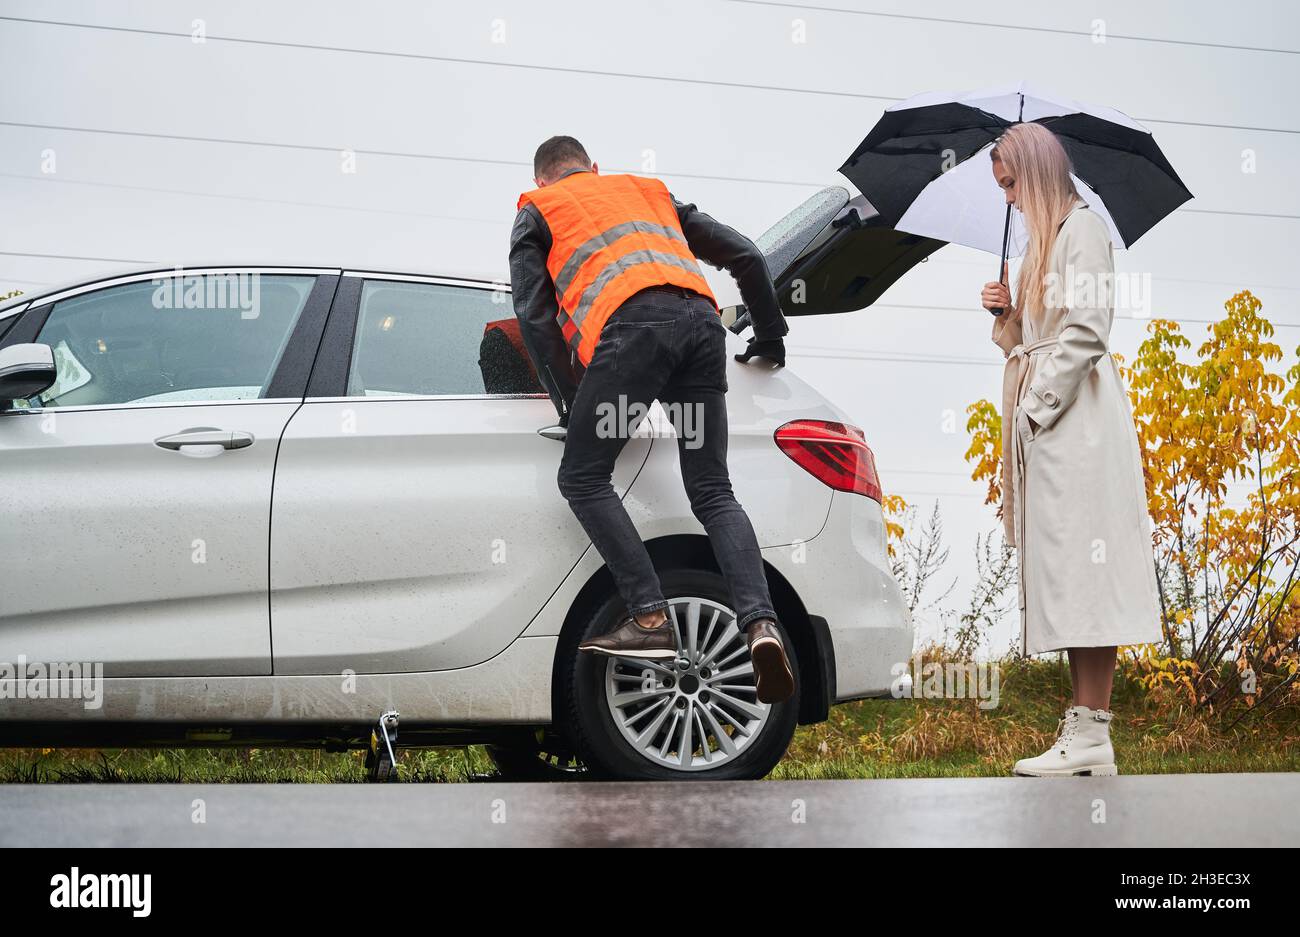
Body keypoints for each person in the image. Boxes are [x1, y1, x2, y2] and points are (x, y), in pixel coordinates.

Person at [509, 135, 796, 703]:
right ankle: (761, 626)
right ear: (594, 167)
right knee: (713, 490)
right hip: (700, 331)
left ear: (543, 179)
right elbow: (748, 256)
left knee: (583, 477)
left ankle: (648, 618)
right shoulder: (649, 191)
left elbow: (533, 315)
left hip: (634, 338)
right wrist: (769, 336)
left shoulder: (537, 209)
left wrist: (574, 402)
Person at [980, 122, 1163, 776]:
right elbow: (1026, 342)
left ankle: (1091, 730)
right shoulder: (1041, 244)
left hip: (1074, 419)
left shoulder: (1083, 231)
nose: (1006, 198)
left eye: (1009, 183)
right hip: (1050, 421)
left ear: (1035, 172)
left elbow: (1087, 330)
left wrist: (1035, 409)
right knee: (1063, 573)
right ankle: (1087, 733)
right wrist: (1004, 316)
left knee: (1085, 571)